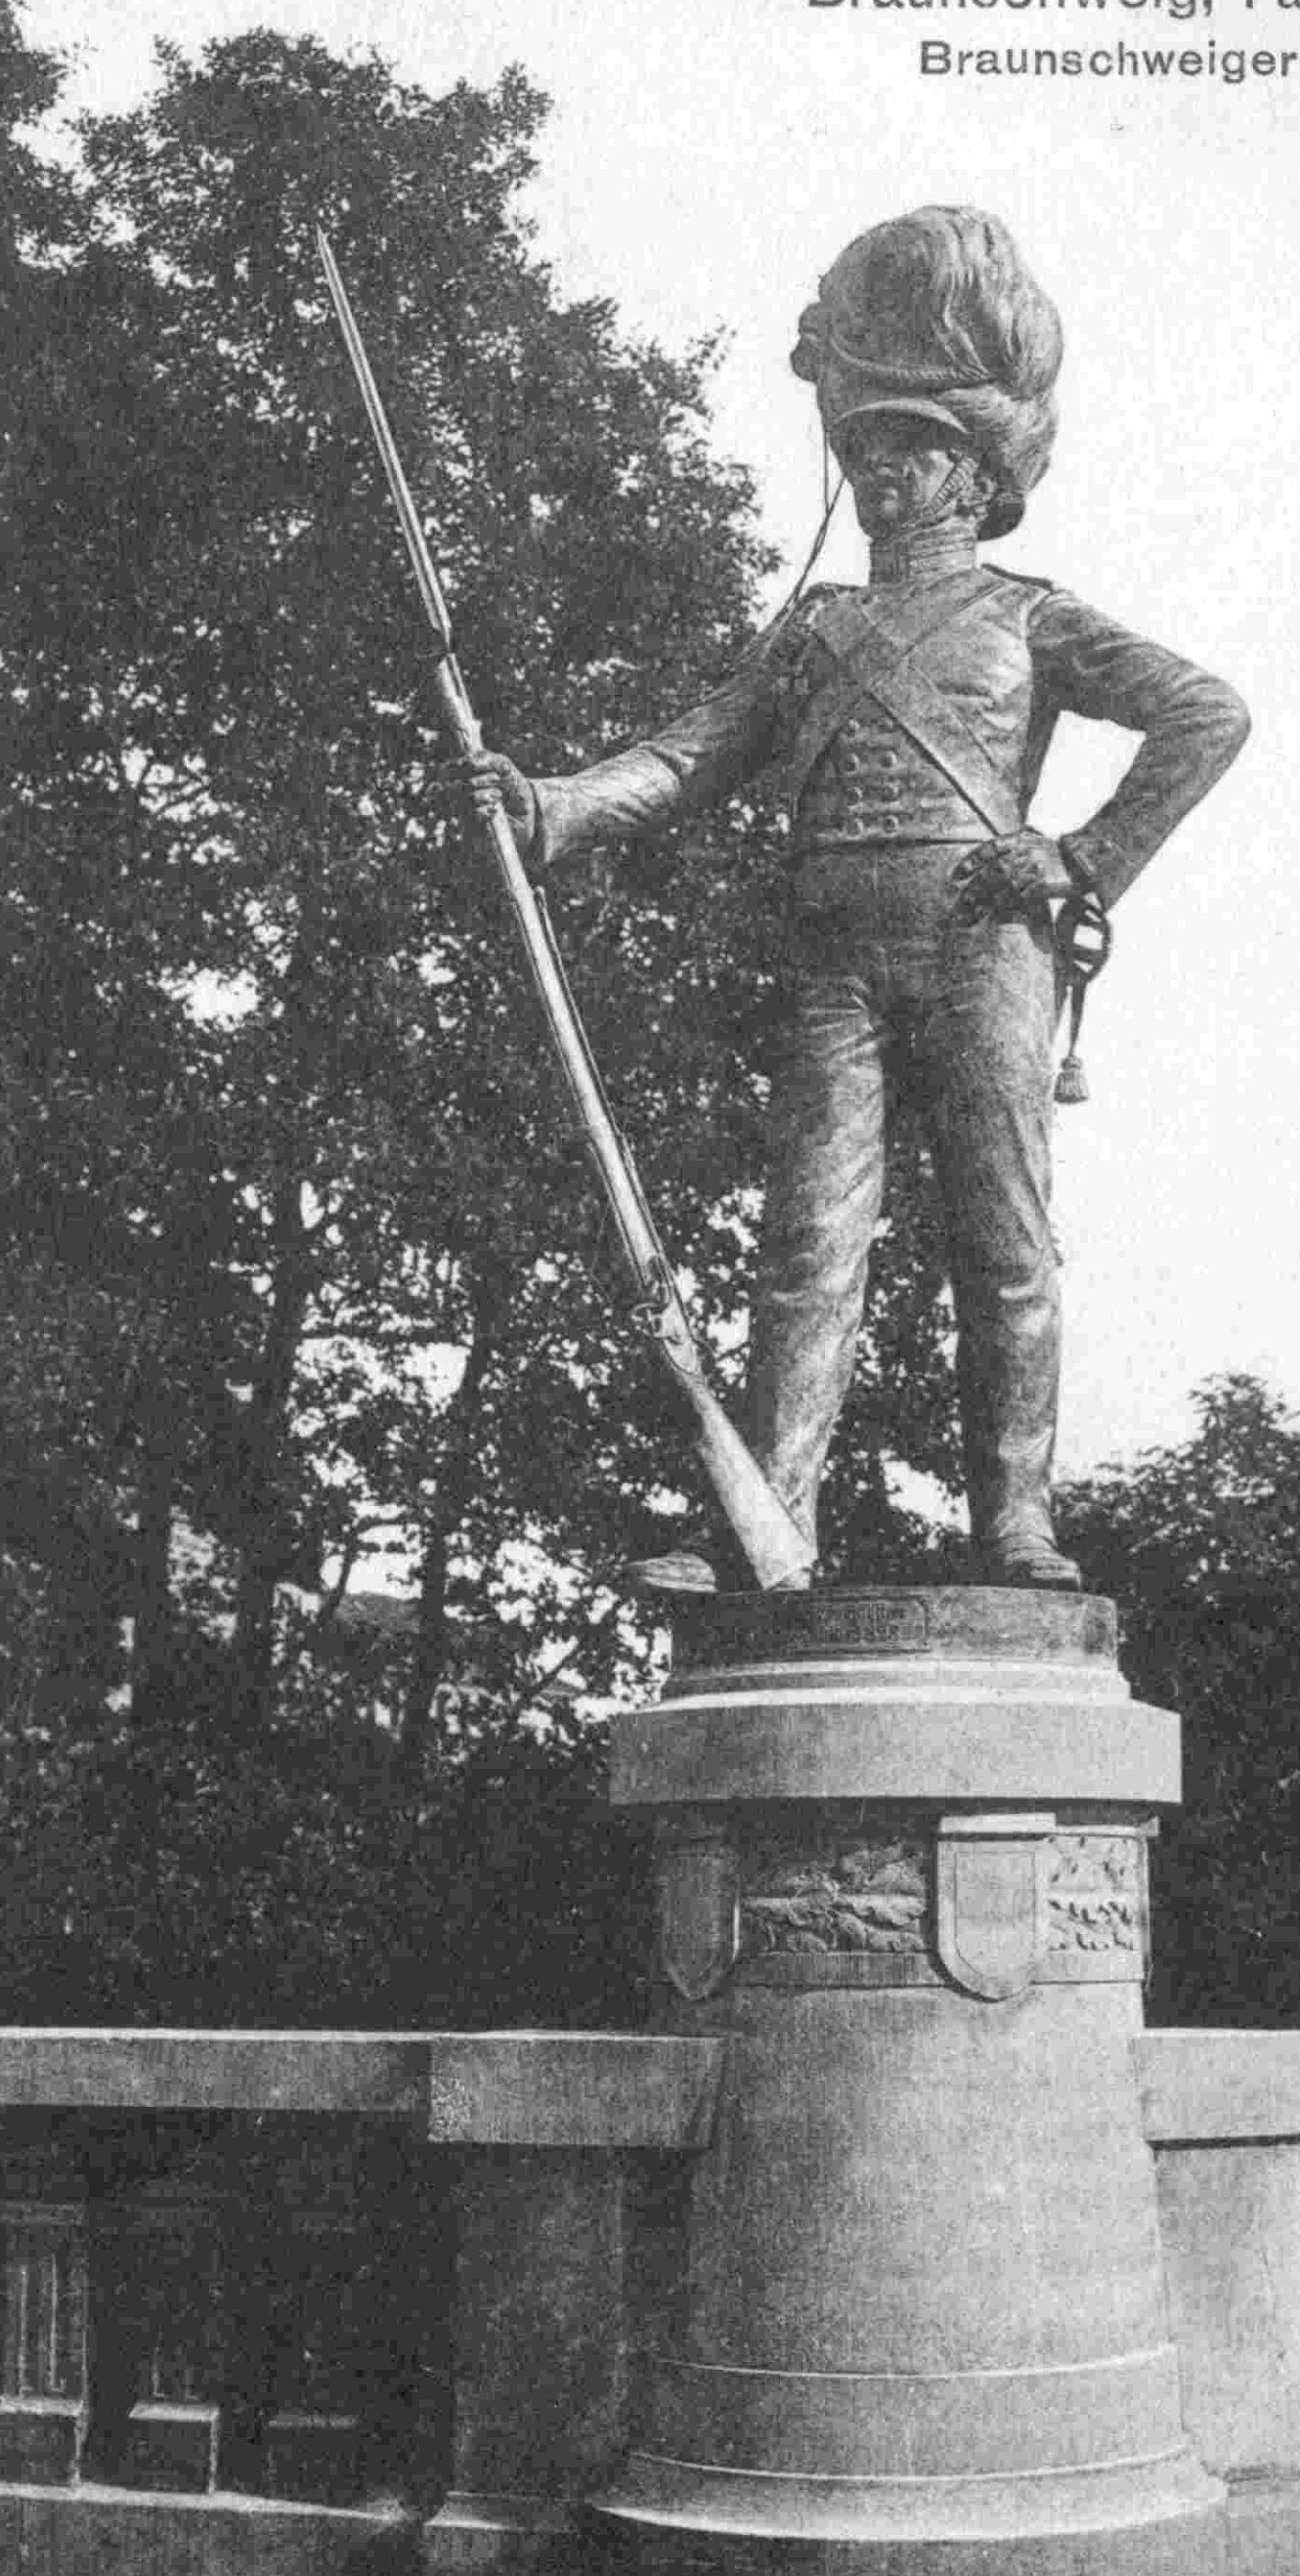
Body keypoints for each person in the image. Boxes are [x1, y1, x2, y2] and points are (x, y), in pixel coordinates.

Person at [468, 207, 1248, 1594]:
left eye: (915, 446)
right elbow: (689, 755)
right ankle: (771, 1530)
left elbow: (1203, 712)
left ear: (975, 469)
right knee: (809, 1240)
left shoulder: (1028, 617)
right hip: (832, 957)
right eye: (866, 445)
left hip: (982, 949)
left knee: (1000, 1240)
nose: (883, 470)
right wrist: (557, 807)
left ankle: (1016, 1524)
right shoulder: (814, 630)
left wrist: (1079, 856)